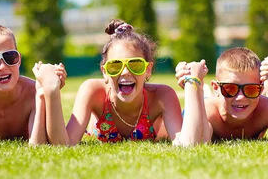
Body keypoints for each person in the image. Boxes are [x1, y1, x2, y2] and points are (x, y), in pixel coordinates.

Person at [34, 19, 206, 146]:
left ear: (148, 70)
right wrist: (51, 92)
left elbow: (187, 144)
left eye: (136, 65)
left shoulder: (162, 96)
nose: (125, 72)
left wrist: (193, 84)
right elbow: (63, 144)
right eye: (115, 66)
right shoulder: (92, 91)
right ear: (105, 72)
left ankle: (208, 97)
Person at [174, 47, 268, 142]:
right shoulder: (207, 112)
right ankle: (205, 90)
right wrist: (195, 87)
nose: (241, 97)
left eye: (251, 90)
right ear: (217, 88)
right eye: (230, 89)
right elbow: (196, 142)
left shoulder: (266, 109)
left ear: (261, 90)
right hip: (205, 100)